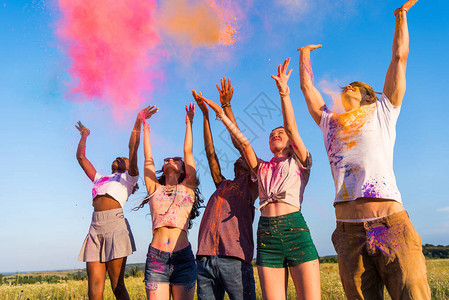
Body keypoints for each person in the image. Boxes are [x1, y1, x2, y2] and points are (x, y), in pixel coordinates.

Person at [298, 0, 431, 299]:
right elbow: (308, 90)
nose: (347, 88)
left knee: (413, 294)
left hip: (390, 224)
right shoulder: (329, 122)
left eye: (354, 87)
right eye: (346, 86)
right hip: (347, 232)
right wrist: (304, 55)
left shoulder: (383, 110)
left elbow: (399, 58)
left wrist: (401, 18)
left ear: (367, 96)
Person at [199, 60, 321, 300]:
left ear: (290, 142)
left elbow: (292, 127)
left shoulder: (300, 162)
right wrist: (221, 114)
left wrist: (284, 92)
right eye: (271, 134)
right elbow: (243, 143)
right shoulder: (261, 168)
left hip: (295, 229)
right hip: (267, 236)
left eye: (280, 133)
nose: (276, 134)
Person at [192, 77, 258, 300]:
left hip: (234, 260)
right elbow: (210, 154)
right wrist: (205, 117)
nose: (237, 160)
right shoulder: (223, 184)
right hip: (204, 258)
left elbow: (241, 144)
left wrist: (226, 107)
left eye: (243, 158)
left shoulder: (253, 184)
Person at [75, 106, 151, 300]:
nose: (119, 157)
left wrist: (137, 122)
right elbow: (81, 157)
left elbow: (132, 148)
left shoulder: (129, 178)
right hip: (95, 228)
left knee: (117, 286)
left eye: (122, 158)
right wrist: (85, 135)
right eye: (117, 157)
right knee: (94, 290)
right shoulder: (100, 178)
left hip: (115, 226)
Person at [134, 103, 203, 300]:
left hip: (183, 258)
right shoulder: (154, 188)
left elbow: (188, 152)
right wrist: (145, 129)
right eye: (166, 159)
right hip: (157, 259)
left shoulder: (188, 187)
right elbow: (148, 159)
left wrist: (189, 123)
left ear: (183, 169)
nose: (169, 160)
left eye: (175, 159)